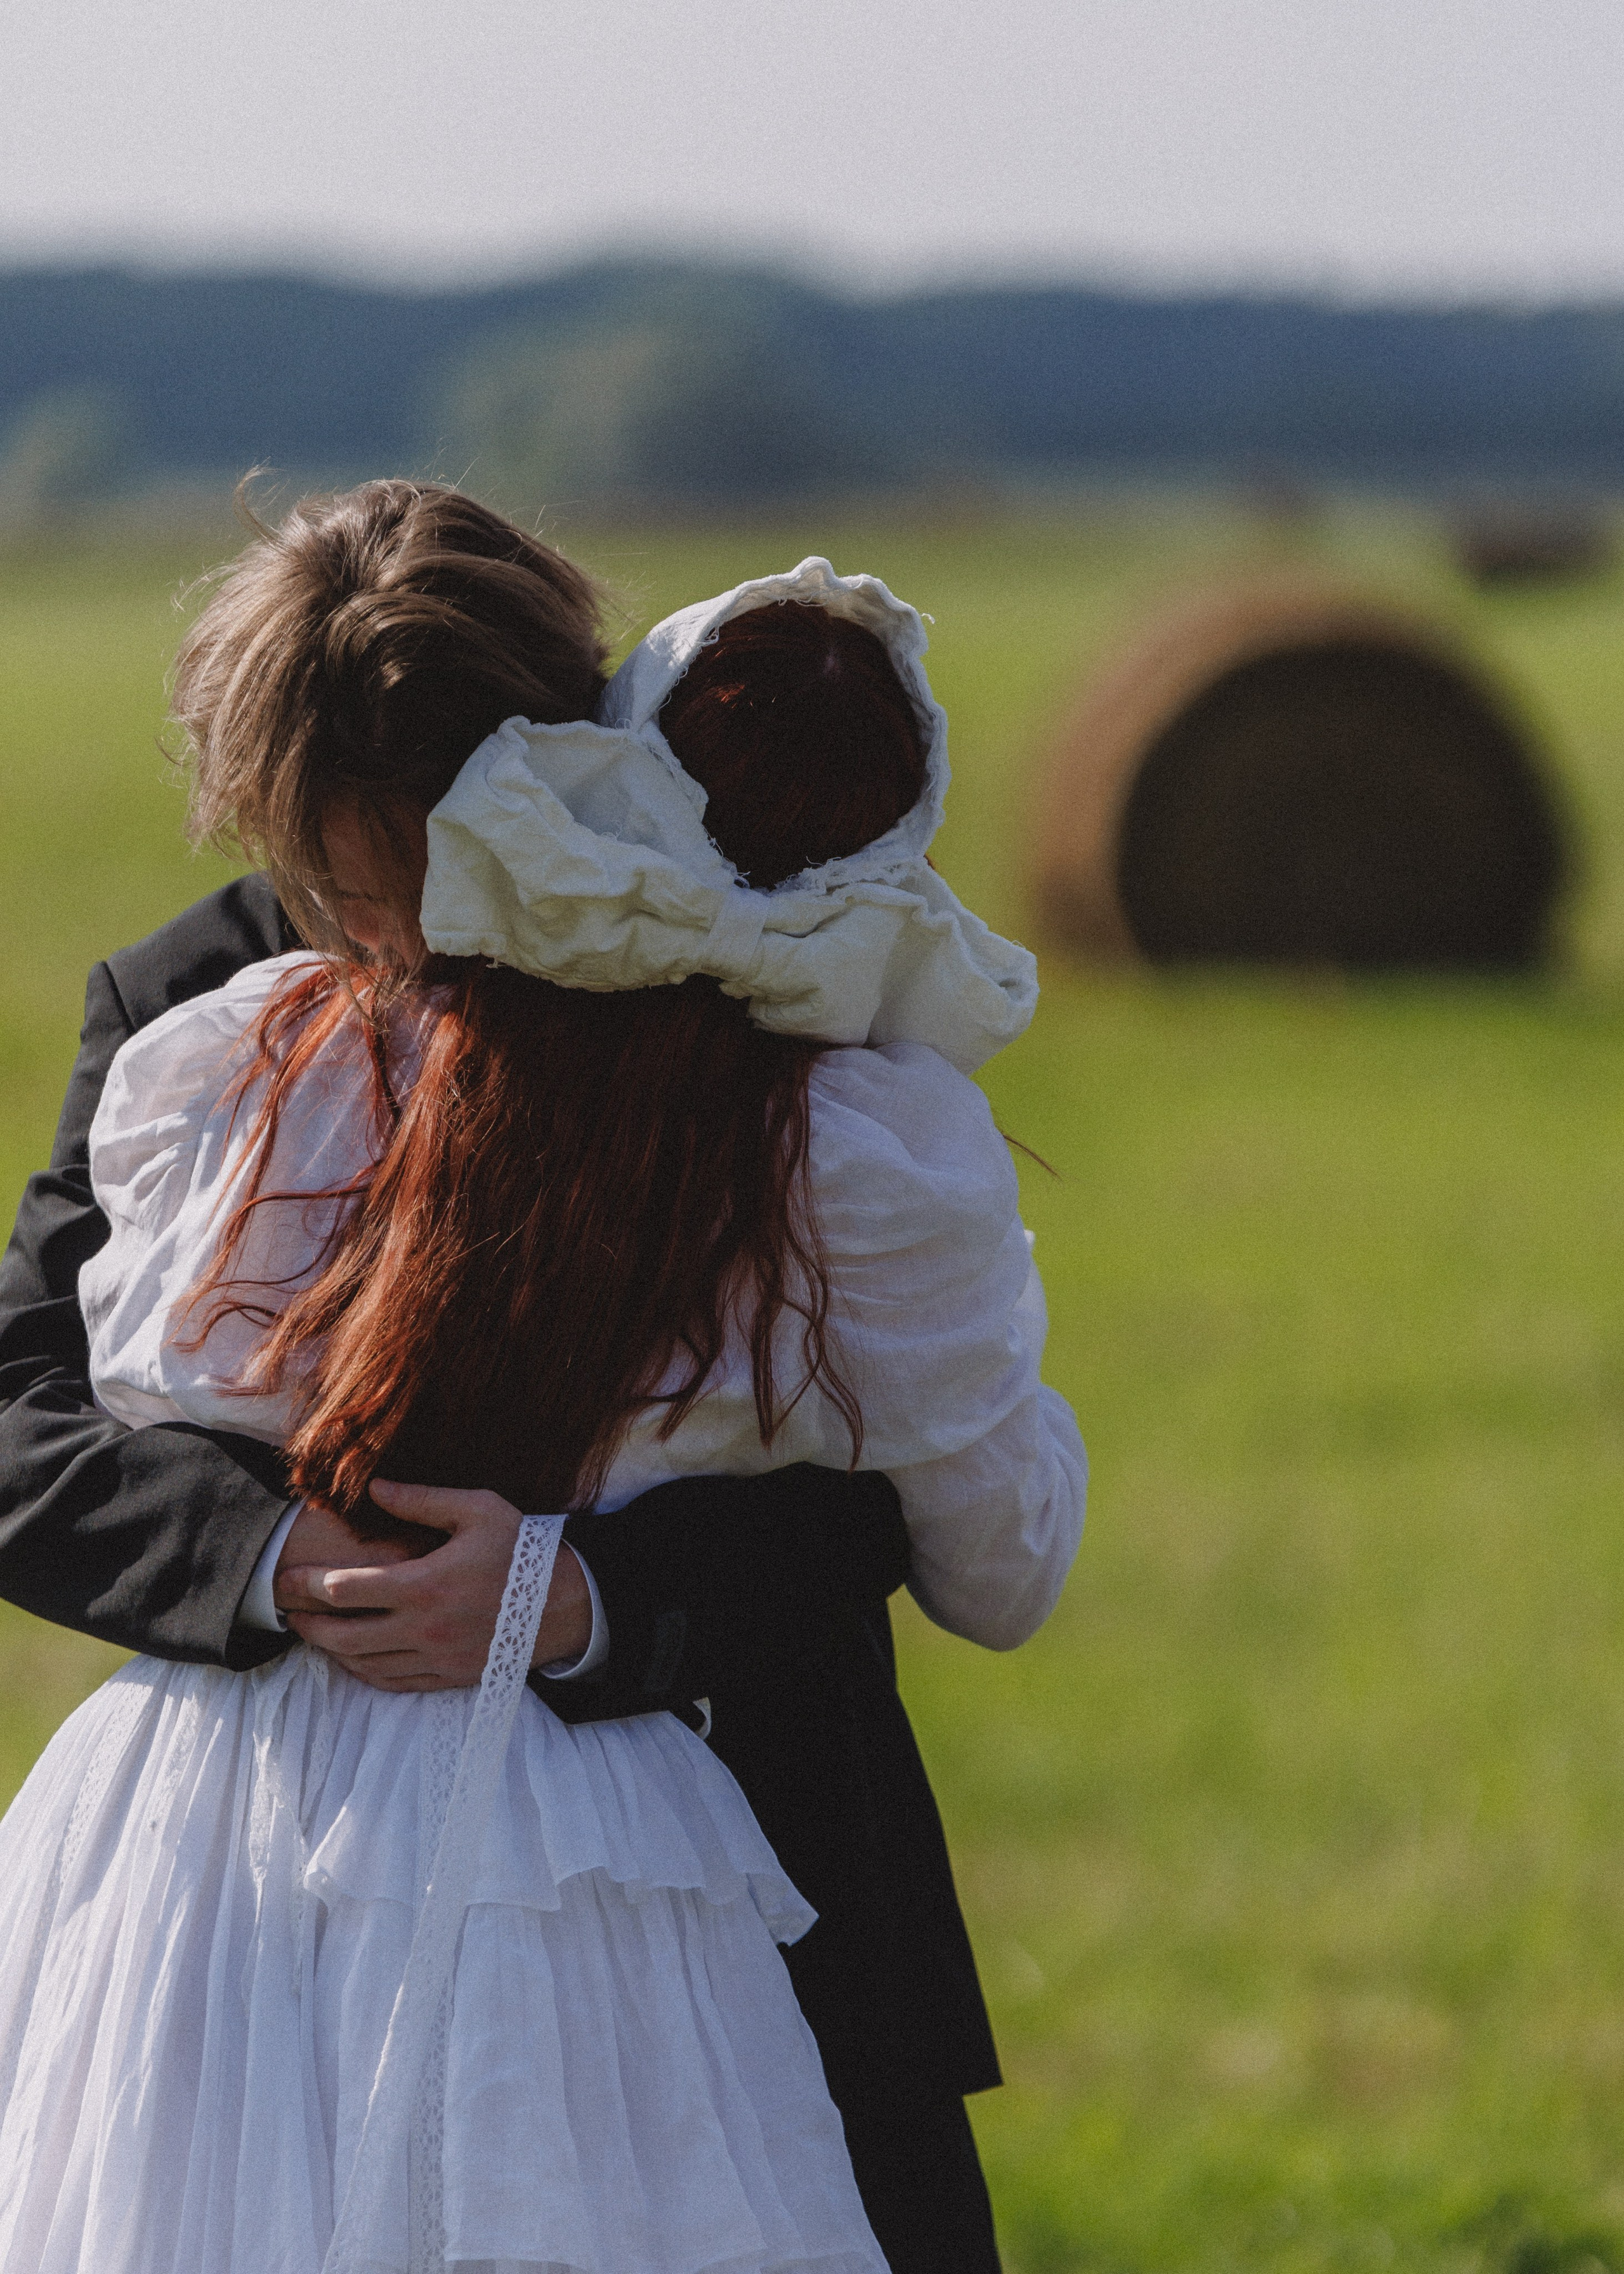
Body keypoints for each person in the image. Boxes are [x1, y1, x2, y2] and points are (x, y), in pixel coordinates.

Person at [0, 484, 1085, 2272]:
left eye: (444, 846)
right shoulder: (191, 1016)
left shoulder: (758, 973)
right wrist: (280, 1563)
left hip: (758, 1833)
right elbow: (21, 1416)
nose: (412, 925)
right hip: (270, 1899)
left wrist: (588, 1598)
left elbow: (894, 1487)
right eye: (344, 872)